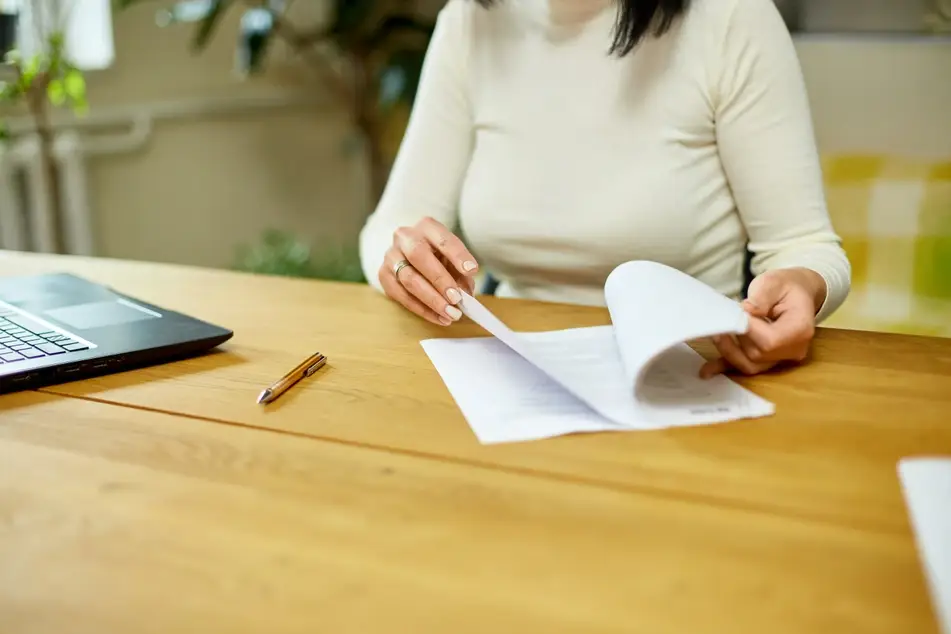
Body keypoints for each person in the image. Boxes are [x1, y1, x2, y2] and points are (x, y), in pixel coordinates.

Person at [358, 0, 851, 378]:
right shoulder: (470, 20)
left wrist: (802, 285)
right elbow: (391, 225)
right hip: (513, 368)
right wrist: (401, 261)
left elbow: (803, 246)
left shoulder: (730, 18)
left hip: (689, 370)